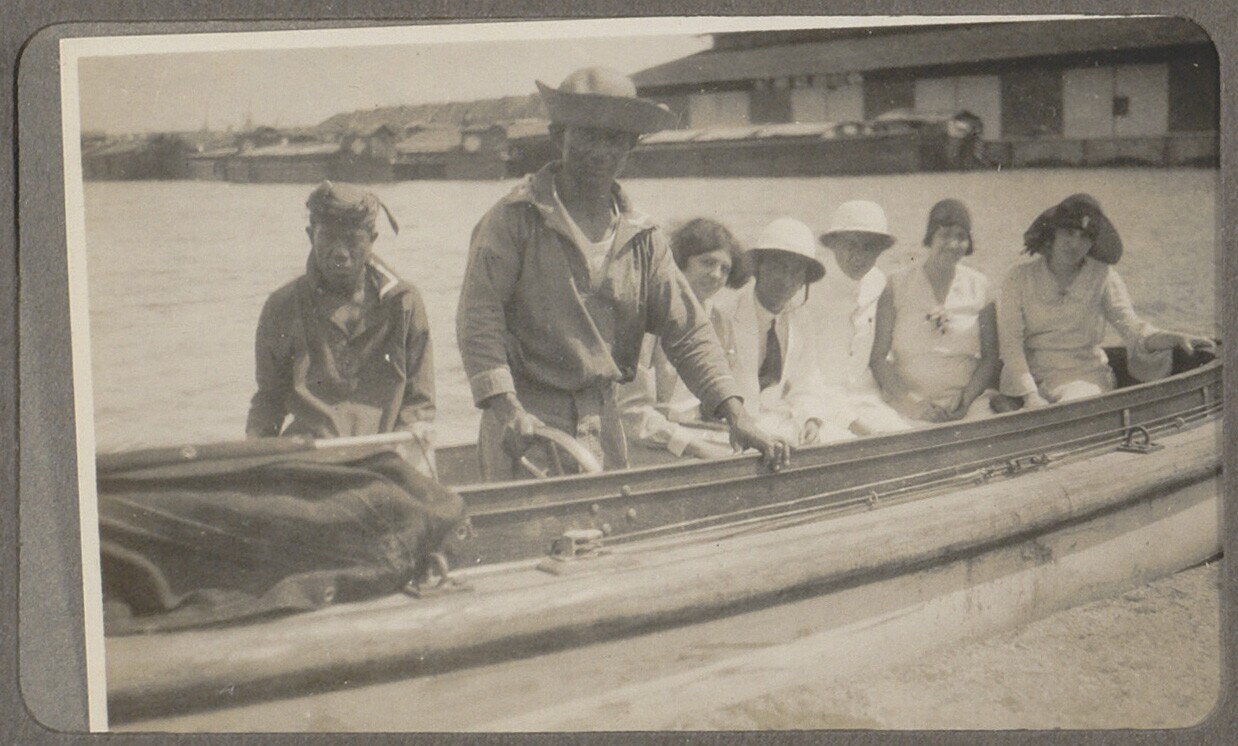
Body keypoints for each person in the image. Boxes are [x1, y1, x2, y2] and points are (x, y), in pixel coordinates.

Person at [456, 67, 789, 480]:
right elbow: (479, 319)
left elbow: (687, 332)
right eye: (587, 134)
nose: (601, 151)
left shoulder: (643, 238)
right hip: (527, 427)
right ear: (559, 136)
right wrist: (504, 405)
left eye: (615, 138)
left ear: (631, 146)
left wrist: (736, 414)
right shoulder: (513, 220)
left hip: (604, 424)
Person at [246, 181, 436, 476]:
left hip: (386, 462)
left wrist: (404, 459)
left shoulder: (403, 302)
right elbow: (268, 400)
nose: (340, 253)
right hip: (311, 467)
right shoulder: (281, 307)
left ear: (372, 239)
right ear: (311, 235)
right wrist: (255, 457)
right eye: (328, 237)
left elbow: (420, 404)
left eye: (352, 239)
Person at [996, 193, 1214, 408]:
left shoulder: (1103, 276)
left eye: (1085, 237)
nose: (1075, 244)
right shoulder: (1018, 277)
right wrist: (1030, 396)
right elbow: (1010, 343)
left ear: (1093, 243)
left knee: (1073, 404)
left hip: (1082, 376)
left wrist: (1173, 338)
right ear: (1052, 234)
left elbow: (1132, 329)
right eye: (1068, 233)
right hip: (1025, 380)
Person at [714, 217, 853, 445]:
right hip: (728, 427)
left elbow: (806, 381)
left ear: (803, 281)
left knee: (842, 442)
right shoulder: (724, 315)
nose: (786, 280)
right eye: (778, 267)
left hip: (776, 420)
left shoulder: (799, 319)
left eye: (796, 272)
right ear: (758, 268)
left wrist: (811, 420)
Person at [617, 218, 747, 461]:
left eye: (725, 269)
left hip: (699, 432)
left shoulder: (719, 320)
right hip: (650, 441)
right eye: (707, 262)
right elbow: (631, 413)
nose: (716, 275)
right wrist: (695, 447)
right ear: (680, 261)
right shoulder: (647, 317)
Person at [870, 199, 999, 423]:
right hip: (907, 403)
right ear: (930, 237)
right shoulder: (897, 285)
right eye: (945, 235)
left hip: (966, 402)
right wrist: (913, 403)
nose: (953, 244)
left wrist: (966, 400)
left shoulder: (980, 286)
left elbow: (990, 357)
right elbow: (878, 357)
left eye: (961, 236)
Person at [806, 200, 912, 435]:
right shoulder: (809, 289)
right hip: (818, 405)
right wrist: (851, 422)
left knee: (905, 437)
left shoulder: (878, 282)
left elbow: (881, 354)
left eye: (870, 247)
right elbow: (802, 374)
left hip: (867, 400)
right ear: (833, 244)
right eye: (851, 245)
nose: (859, 256)